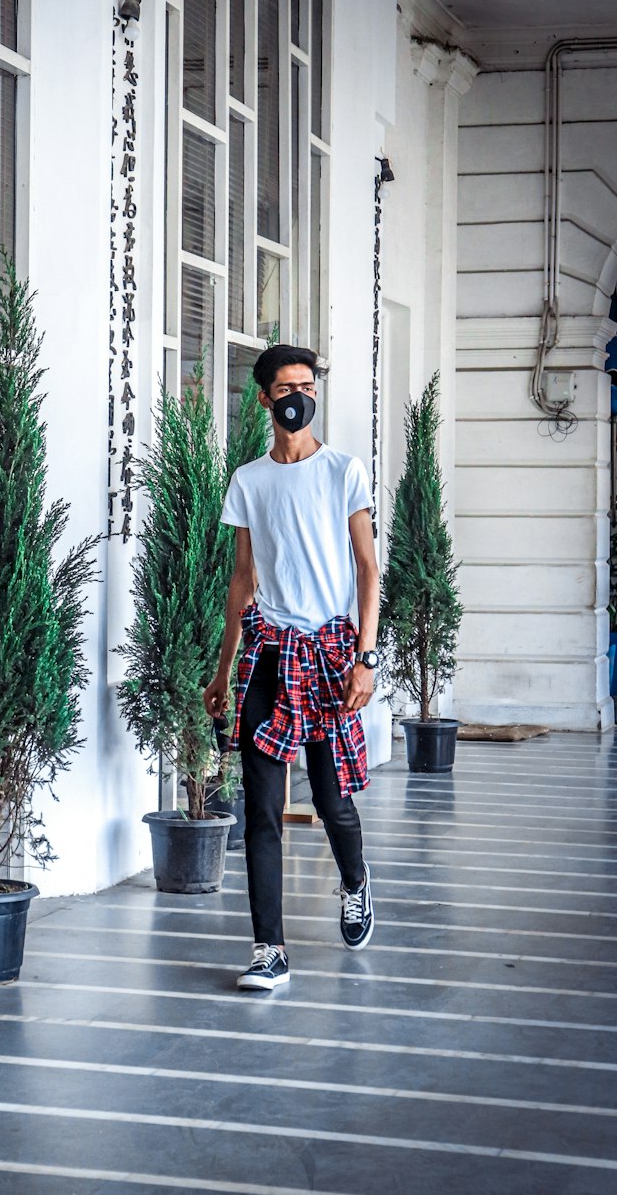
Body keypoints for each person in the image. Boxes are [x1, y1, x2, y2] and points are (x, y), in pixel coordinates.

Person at [204, 344, 379, 989]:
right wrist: (224, 669)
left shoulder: (342, 471)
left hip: (332, 657)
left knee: (334, 805)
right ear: (264, 399)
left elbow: (367, 567)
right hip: (269, 658)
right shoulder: (250, 481)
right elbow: (242, 579)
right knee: (262, 810)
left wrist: (366, 656)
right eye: (285, 387)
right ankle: (267, 948)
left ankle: (356, 882)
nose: (298, 396)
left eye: (307, 385)